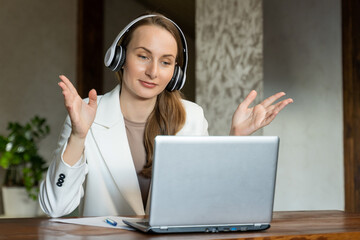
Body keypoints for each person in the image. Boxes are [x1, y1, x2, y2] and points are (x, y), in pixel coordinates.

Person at [38, 13, 293, 218]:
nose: (152, 72)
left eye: (165, 62)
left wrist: (235, 139)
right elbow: (55, 207)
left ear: (176, 73)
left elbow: (209, 199)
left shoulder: (191, 117)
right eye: (143, 56)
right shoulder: (86, 114)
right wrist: (78, 136)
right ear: (120, 58)